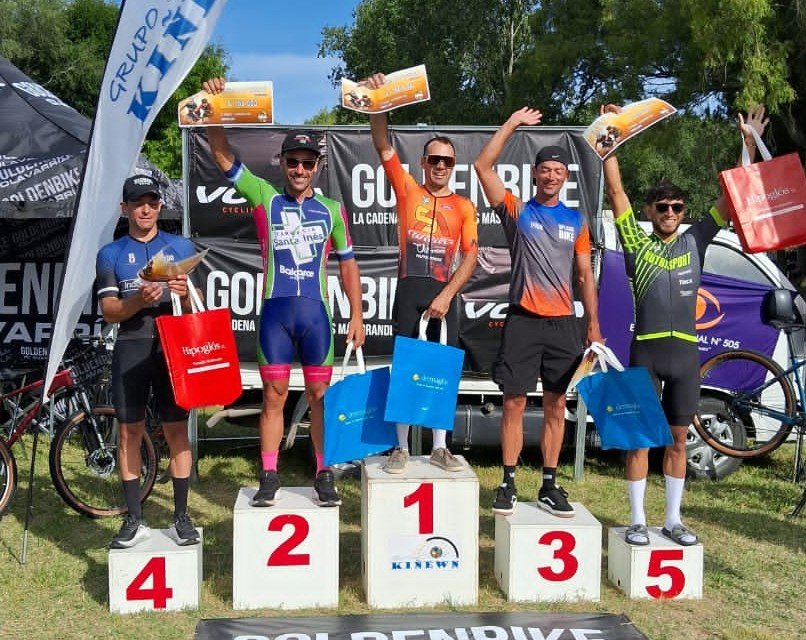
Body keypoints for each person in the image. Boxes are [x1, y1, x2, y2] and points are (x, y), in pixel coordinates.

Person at [601, 104, 768, 546]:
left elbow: (730, 199)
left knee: (679, 438)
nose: (670, 212)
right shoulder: (635, 241)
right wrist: (610, 139)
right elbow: (615, 192)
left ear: (683, 211)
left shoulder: (696, 239)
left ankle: (673, 520)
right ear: (650, 211)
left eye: (676, 206)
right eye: (662, 207)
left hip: (685, 355)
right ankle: (638, 520)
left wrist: (747, 145)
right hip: (647, 350)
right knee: (640, 439)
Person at [201, 77, 366, 507]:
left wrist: (357, 314)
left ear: (318, 166)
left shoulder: (332, 210)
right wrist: (214, 108)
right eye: (293, 162)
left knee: (320, 398)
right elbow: (222, 156)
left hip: (316, 316)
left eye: (307, 163)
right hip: (276, 315)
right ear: (282, 163)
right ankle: (269, 475)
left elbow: (348, 262)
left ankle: (323, 473)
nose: (299, 170)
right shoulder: (264, 196)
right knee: (273, 396)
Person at [474, 107, 602, 517]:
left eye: (558, 171)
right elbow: (482, 166)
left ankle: (549, 483)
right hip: (523, 320)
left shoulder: (576, 220)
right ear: (535, 174)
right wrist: (512, 123)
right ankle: (508, 481)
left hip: (563, 323)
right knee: (513, 402)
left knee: (556, 405)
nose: (551, 176)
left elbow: (584, 274)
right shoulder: (517, 210)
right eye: (545, 170)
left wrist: (593, 324)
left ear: (566, 177)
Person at [363, 72, 479, 474]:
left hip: (445, 292)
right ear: (424, 163)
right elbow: (382, 143)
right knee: (406, 368)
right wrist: (378, 101)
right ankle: (399, 447)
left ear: (453, 166)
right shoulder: (409, 190)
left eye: (447, 161)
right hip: (410, 288)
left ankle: (440, 447)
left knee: (440, 371)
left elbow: (471, 256)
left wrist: (447, 295)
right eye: (434, 159)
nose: (440, 166)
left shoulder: (463, 206)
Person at [96, 174, 200, 548]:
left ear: (160, 206)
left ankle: (181, 517)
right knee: (129, 432)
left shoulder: (180, 246)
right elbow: (109, 311)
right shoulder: (110, 253)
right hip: (131, 346)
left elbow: (196, 305)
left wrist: (183, 293)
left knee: (177, 430)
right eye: (138, 203)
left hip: (172, 348)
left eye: (152, 203)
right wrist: (139, 300)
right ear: (124, 208)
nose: (145, 209)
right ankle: (134, 518)